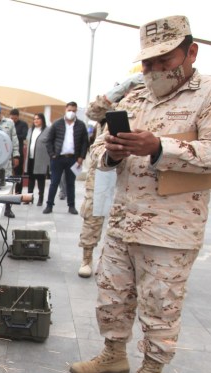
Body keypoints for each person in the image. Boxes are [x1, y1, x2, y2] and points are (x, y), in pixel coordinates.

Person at [69, 15, 211, 373]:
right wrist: (112, 152)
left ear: (190, 52)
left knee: (160, 305)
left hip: (171, 229)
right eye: (146, 62)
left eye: (162, 60)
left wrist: (158, 147)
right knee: (111, 295)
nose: (152, 70)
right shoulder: (135, 97)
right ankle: (113, 354)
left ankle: (151, 372)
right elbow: (98, 152)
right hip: (122, 220)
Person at [77, 73, 145, 278]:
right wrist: (122, 88)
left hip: (134, 168)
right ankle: (86, 257)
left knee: (129, 216)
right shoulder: (115, 105)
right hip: (103, 167)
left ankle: (119, 260)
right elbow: (92, 111)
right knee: (93, 214)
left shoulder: (151, 105)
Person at [42, 102, 88, 215]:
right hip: (57, 158)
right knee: (54, 182)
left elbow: (85, 143)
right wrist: (52, 154)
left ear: (76, 111)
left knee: (70, 183)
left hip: (73, 159)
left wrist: (81, 157)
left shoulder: (81, 125)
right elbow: (48, 140)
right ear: (65, 110)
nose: (71, 112)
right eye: (69, 110)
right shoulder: (57, 123)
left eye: (73, 110)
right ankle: (49, 205)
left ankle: (71, 206)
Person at [24, 113, 49, 206]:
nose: (36, 121)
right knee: (31, 179)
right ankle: (29, 198)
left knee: (40, 180)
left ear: (42, 120)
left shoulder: (47, 130)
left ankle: (40, 199)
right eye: (34, 119)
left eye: (38, 119)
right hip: (30, 158)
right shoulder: (31, 130)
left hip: (41, 159)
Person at [9, 108, 28, 187]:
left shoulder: (23, 124)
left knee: (18, 173)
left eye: (15, 118)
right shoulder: (8, 124)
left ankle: (18, 191)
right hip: (8, 151)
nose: (13, 120)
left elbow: (24, 136)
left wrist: (13, 136)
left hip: (18, 152)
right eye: (12, 118)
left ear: (18, 117)